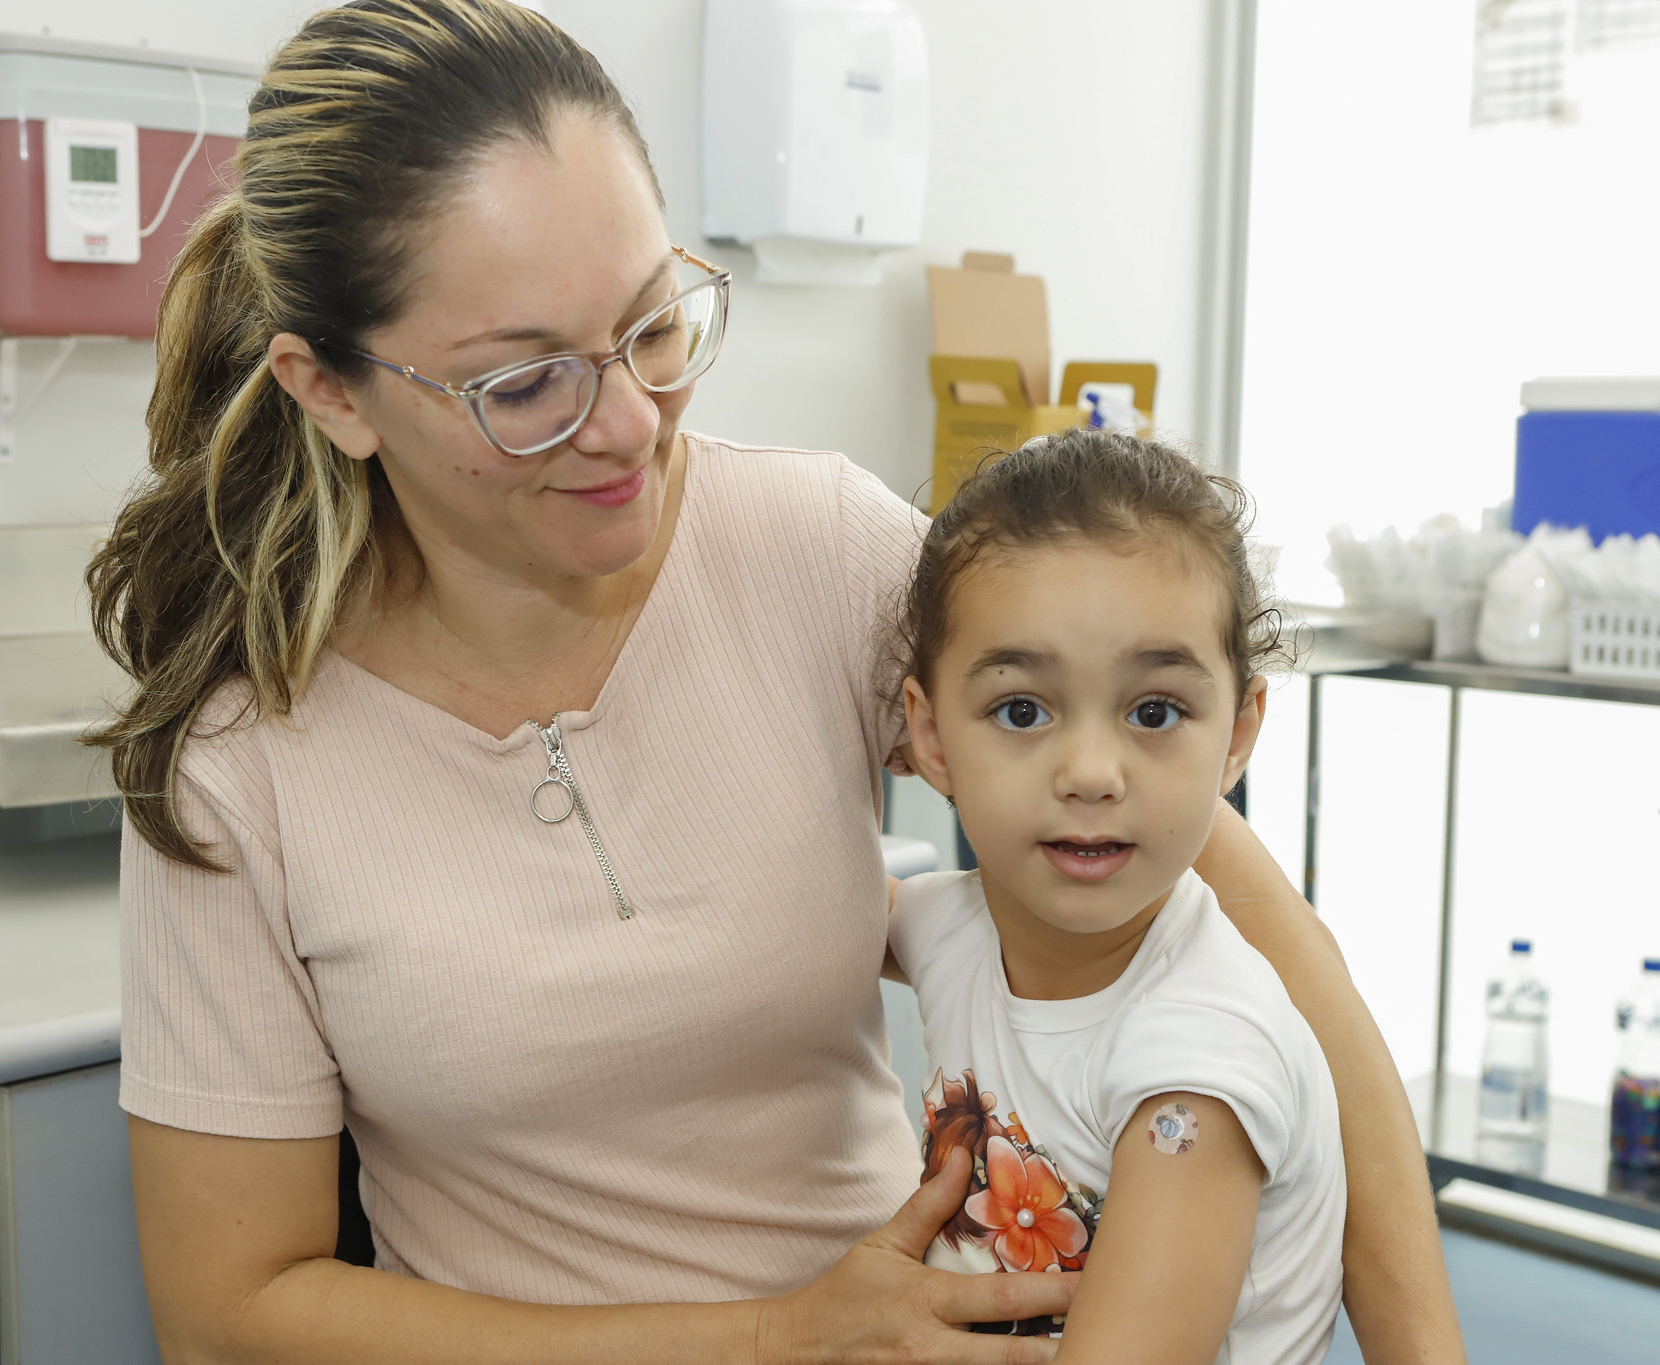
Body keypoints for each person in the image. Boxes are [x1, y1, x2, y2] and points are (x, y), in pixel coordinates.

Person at [86, 2, 1465, 1361]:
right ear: (332, 391)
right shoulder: (243, 764)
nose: (629, 422)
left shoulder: (818, 552)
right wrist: (767, 1337)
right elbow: (233, 1307)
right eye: (525, 385)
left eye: (654, 325)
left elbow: (1257, 939)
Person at [888, 430, 1349, 1362]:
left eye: (1154, 712)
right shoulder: (953, 926)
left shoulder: (1198, 1066)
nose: (1092, 773)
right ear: (930, 736)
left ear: (1237, 733)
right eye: (1023, 710)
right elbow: (780, 916)